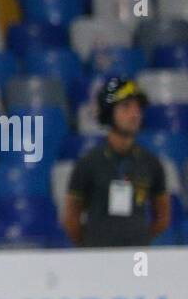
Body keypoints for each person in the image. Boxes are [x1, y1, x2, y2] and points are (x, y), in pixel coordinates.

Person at [64, 78, 171, 248]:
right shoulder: (88, 163)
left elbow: (163, 217)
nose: (135, 113)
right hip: (98, 255)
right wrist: (91, 246)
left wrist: (140, 238)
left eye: (138, 107)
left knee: (141, 275)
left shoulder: (152, 163)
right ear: (109, 112)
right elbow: (70, 219)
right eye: (126, 106)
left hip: (138, 257)